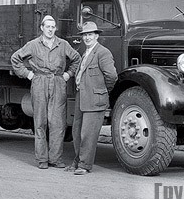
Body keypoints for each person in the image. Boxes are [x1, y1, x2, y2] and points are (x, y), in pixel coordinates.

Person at [11, 15, 81, 169]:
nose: (50, 29)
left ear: (55, 28)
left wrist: (68, 74)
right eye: (47, 26)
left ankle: (55, 158)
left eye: (53, 27)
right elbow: (15, 59)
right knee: (40, 121)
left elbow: (77, 59)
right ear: (42, 28)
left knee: (57, 122)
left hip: (57, 82)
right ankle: (42, 159)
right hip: (39, 82)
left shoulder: (62, 44)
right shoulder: (33, 45)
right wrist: (28, 74)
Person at [67, 21, 118, 175]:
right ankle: (78, 162)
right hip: (82, 97)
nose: (87, 38)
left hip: (94, 99)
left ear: (96, 36)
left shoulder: (103, 52)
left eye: (90, 34)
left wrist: (101, 91)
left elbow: (112, 76)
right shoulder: (86, 52)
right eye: (84, 35)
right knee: (77, 132)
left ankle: (84, 165)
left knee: (88, 134)